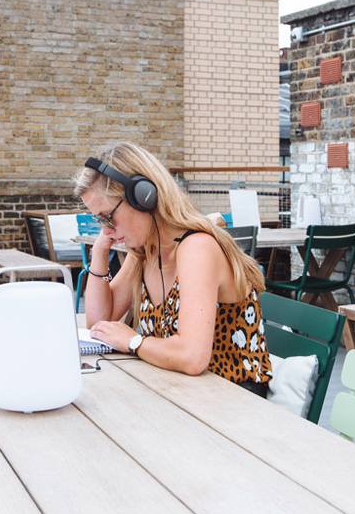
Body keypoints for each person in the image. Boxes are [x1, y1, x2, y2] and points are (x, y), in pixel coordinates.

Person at [75, 142, 273, 397]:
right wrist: (100, 252)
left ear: (143, 197)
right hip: (180, 391)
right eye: (99, 220)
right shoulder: (145, 251)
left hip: (233, 397)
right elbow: (99, 326)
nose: (106, 228)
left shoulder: (197, 247)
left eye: (108, 217)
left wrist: (133, 341)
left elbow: (192, 357)